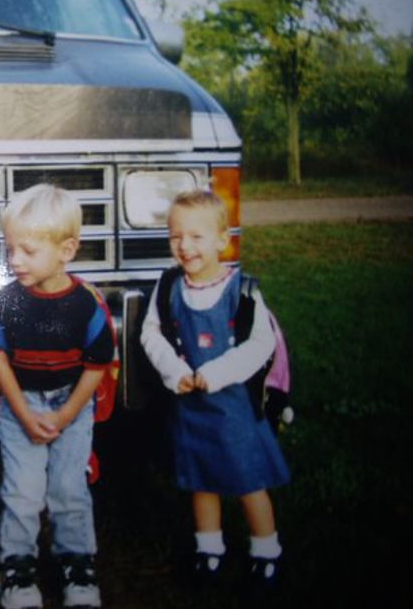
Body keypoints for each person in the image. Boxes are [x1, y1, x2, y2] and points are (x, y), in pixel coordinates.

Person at [140, 189, 290, 593]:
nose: (184, 246)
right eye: (175, 236)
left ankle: (266, 549)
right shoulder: (169, 287)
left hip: (233, 407)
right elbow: (151, 334)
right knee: (201, 478)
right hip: (190, 406)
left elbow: (261, 344)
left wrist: (217, 373)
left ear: (223, 240)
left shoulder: (242, 291)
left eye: (196, 236)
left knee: (248, 480)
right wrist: (174, 371)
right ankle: (209, 548)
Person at [0, 184, 116, 609]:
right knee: (21, 491)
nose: (14, 260)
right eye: (10, 250)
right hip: (20, 406)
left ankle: (77, 565)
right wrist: (24, 414)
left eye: (27, 250)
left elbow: (96, 367)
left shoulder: (86, 305)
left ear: (66, 250)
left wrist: (64, 416)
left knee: (68, 488)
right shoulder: (8, 301)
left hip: (71, 407)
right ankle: (17, 569)